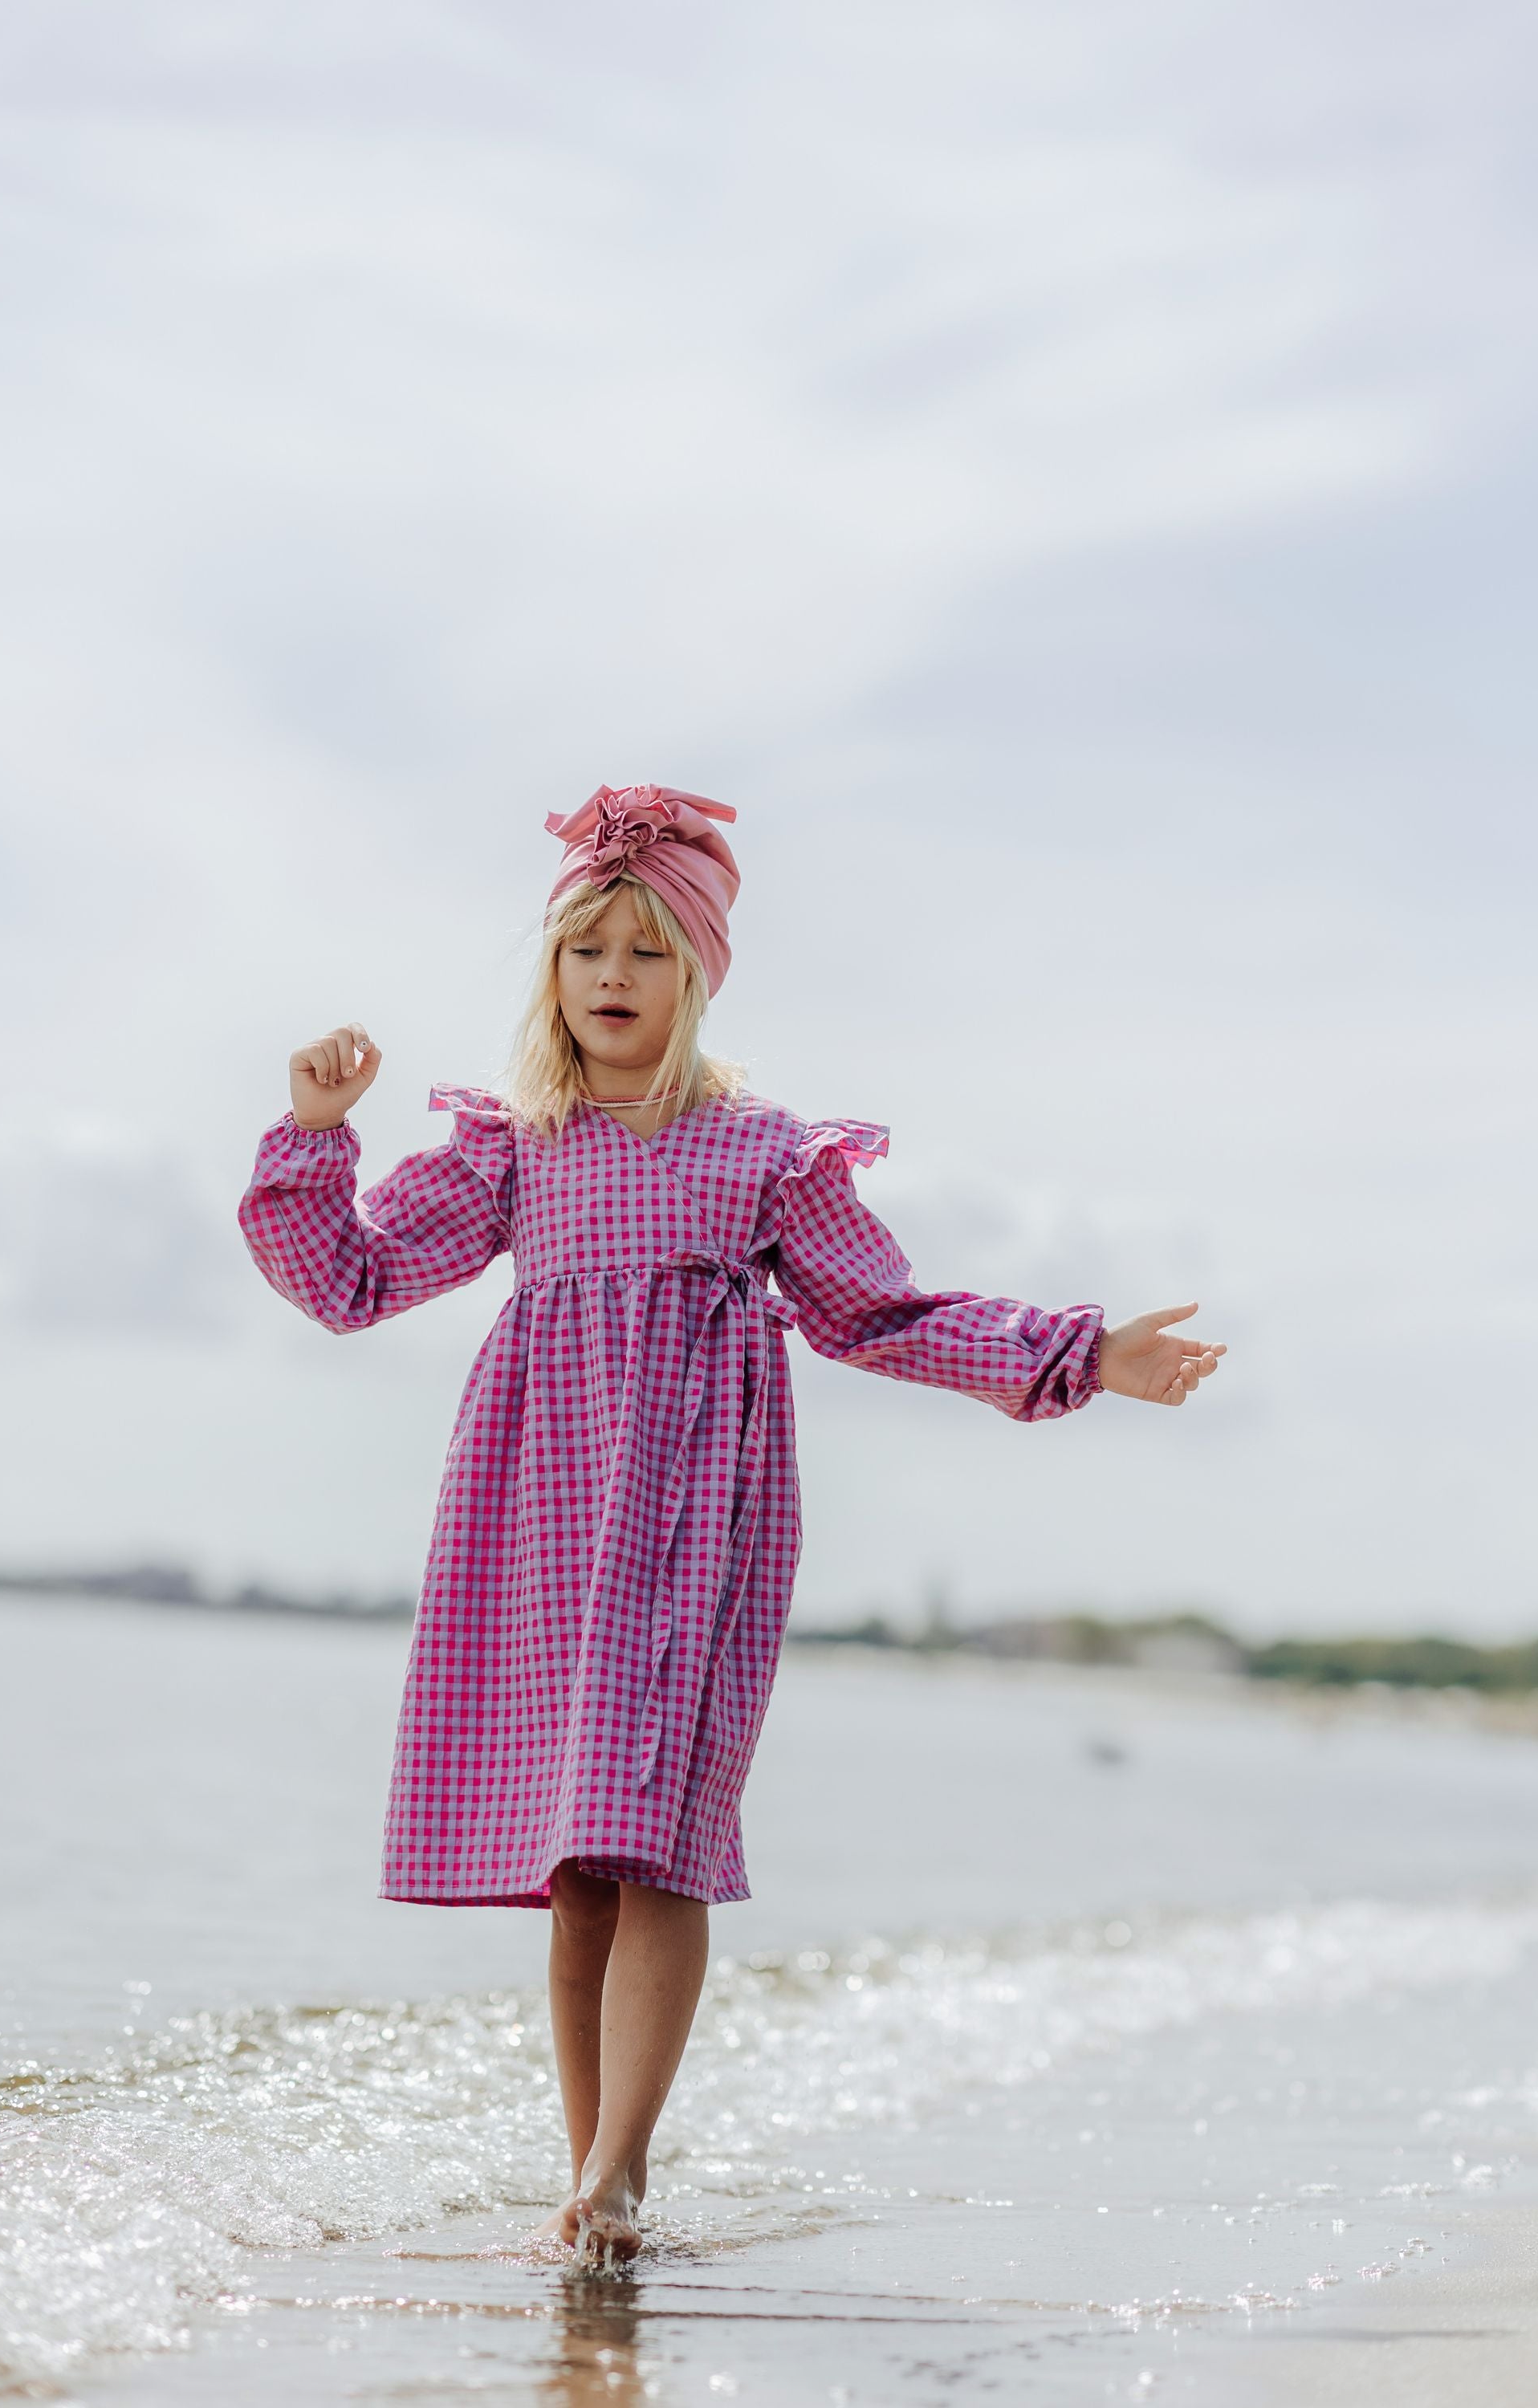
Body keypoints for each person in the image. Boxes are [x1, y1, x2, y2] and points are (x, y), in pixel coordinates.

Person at [238, 784, 1225, 2266]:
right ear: (553, 975)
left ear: (694, 974)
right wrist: (316, 1134)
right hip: (540, 1520)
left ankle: (622, 2173)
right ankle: (589, 2181)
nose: (612, 980)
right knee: (575, 1869)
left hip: (701, 1522)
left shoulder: (762, 1152)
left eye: (644, 953)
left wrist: (1082, 1352)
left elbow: (878, 1314)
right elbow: (351, 1283)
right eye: (586, 953)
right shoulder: (515, 1147)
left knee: (657, 1841)